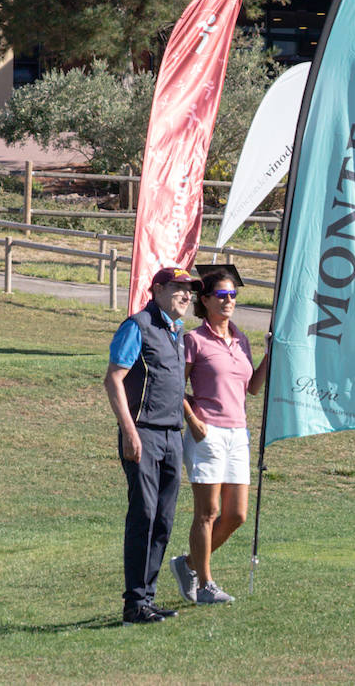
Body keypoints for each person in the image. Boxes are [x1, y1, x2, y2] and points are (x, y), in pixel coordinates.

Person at [102, 266, 197, 625]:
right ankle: (134, 604)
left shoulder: (177, 331)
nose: (186, 295)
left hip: (172, 435)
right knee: (144, 515)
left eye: (189, 290)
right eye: (178, 288)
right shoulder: (138, 326)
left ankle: (148, 598)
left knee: (163, 520)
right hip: (144, 433)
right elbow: (114, 379)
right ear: (157, 290)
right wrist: (129, 431)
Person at [168, 265, 267, 607]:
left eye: (233, 295)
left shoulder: (241, 339)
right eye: (222, 295)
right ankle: (205, 585)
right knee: (207, 512)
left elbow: (252, 388)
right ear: (206, 300)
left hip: (238, 433)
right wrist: (193, 421)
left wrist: (271, 356)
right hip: (206, 432)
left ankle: (189, 564)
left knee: (236, 515)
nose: (229, 301)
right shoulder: (194, 340)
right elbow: (174, 385)